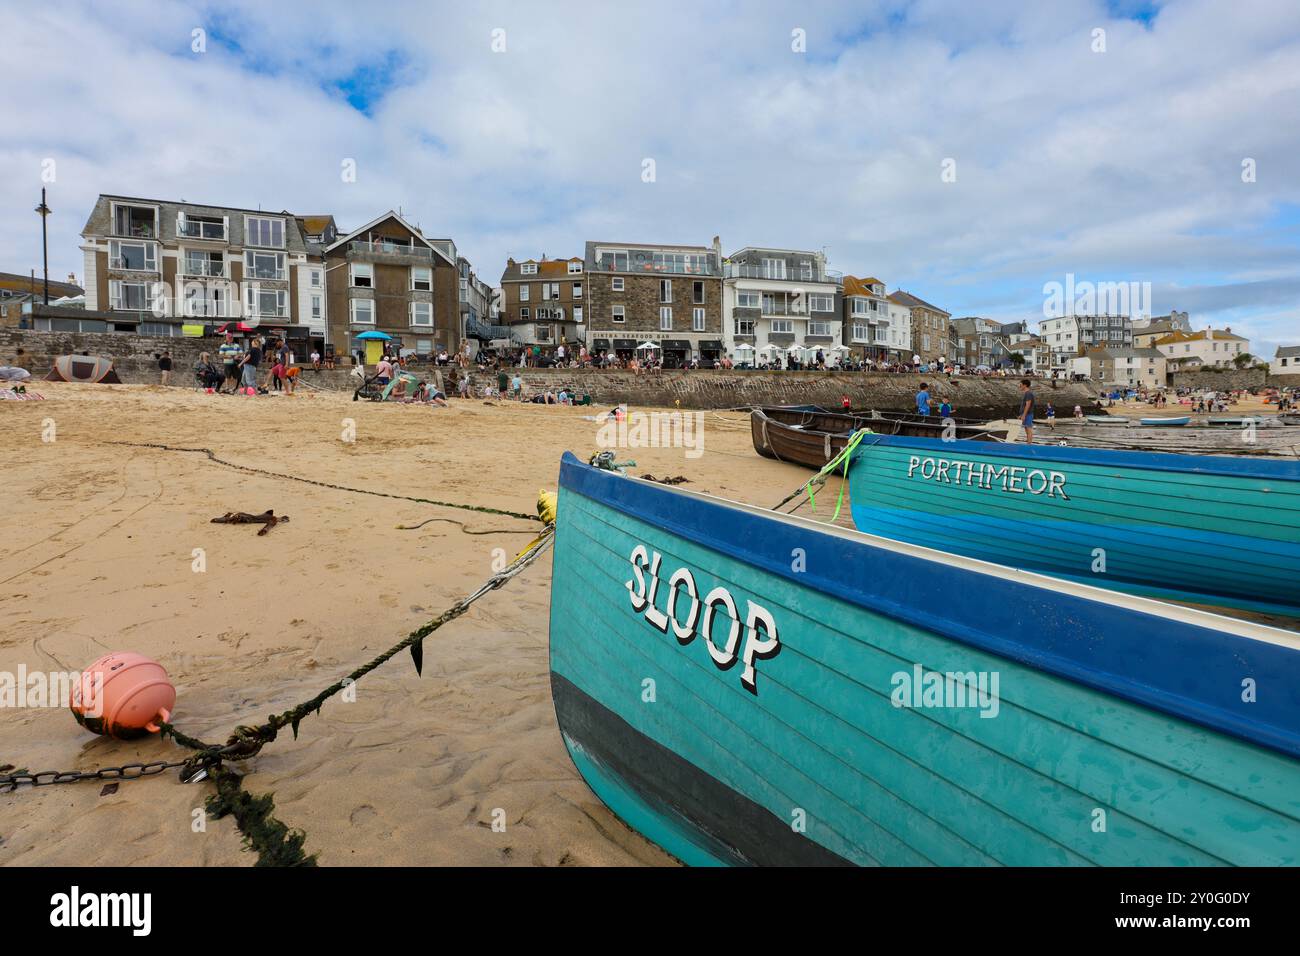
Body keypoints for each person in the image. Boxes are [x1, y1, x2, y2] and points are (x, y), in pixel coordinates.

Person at [1018, 378, 1036, 444]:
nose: (1019, 386)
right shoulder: (1026, 393)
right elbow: (1024, 405)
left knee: (1029, 429)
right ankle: (1028, 443)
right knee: (1026, 429)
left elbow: (1028, 405)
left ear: (1025, 385)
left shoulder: (1028, 393)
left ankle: (1029, 445)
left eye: (1020, 384)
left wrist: (1024, 415)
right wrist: (1021, 415)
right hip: (1026, 414)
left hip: (1028, 414)